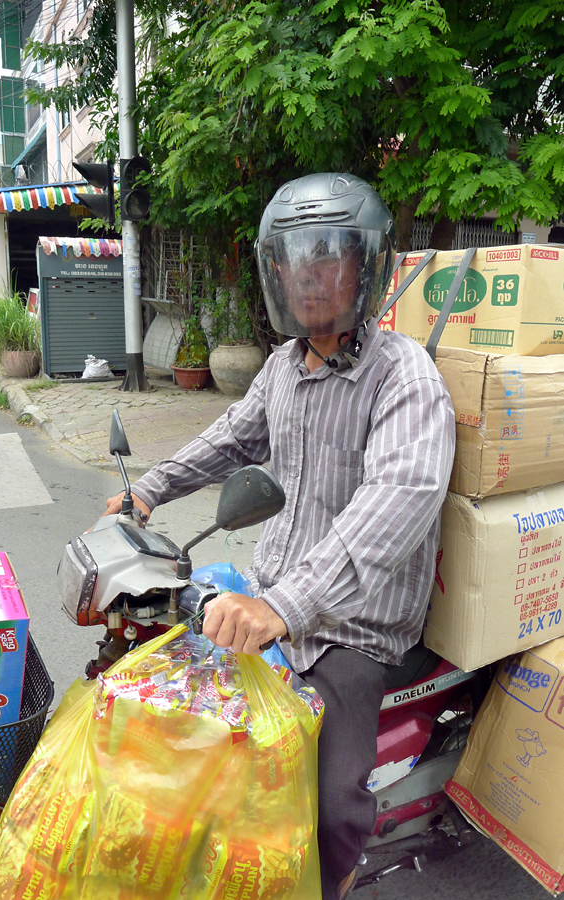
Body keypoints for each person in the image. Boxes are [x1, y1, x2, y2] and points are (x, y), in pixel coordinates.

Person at [104, 173, 456, 899]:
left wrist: (284, 604)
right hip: (273, 602)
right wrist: (146, 491)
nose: (310, 277)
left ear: (366, 268)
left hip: (354, 630)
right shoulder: (281, 371)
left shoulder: (403, 376)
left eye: (329, 260)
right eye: (295, 262)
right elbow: (226, 440)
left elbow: (399, 499)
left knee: (327, 809)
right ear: (275, 272)